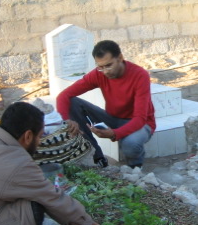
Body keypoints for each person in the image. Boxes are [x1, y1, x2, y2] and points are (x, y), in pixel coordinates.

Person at [56, 40, 156, 169]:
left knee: (130, 144)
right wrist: (67, 121)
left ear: (120, 58)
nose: (105, 71)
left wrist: (115, 133)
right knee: (72, 103)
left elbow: (140, 118)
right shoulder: (99, 74)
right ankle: (97, 158)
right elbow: (63, 96)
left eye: (109, 65)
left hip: (141, 122)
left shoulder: (139, 75)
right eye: (100, 67)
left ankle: (135, 169)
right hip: (112, 118)